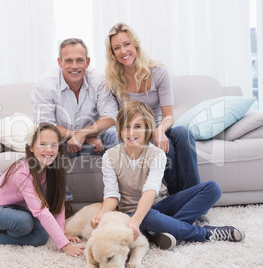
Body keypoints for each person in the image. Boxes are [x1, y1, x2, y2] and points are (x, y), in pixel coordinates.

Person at [90, 100, 245, 251]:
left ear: (148, 129)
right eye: (126, 127)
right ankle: (203, 234)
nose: (131, 132)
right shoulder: (110, 156)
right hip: (131, 213)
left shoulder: (157, 154)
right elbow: (112, 195)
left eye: (137, 126)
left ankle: (164, 232)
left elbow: (150, 190)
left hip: (159, 205)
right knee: (149, 216)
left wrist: (138, 220)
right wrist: (101, 214)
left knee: (213, 188)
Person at [0, 123, 84, 257]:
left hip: (18, 210)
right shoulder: (22, 171)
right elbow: (40, 210)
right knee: (24, 223)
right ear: (31, 147)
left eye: (54, 145)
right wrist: (65, 246)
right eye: (42, 144)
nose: (49, 149)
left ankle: (1, 231)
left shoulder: (53, 168)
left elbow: (59, 204)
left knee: (41, 237)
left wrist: (62, 233)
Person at [105, 23, 200, 196]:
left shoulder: (159, 72)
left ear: (135, 44)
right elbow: (115, 118)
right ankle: (180, 202)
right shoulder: (113, 81)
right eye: (116, 48)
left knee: (183, 133)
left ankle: (195, 199)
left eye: (126, 44)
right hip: (137, 133)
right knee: (167, 147)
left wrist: (159, 131)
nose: (123, 51)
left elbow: (169, 116)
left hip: (158, 127)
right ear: (112, 54)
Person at [31, 38, 119, 158]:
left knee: (114, 135)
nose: (74, 66)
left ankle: (125, 176)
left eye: (79, 60)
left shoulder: (99, 81)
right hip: (62, 143)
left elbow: (111, 117)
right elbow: (45, 125)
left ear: (87, 62)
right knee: (45, 140)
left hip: (96, 141)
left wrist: (83, 134)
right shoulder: (45, 85)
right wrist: (81, 136)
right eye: (68, 61)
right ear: (60, 62)